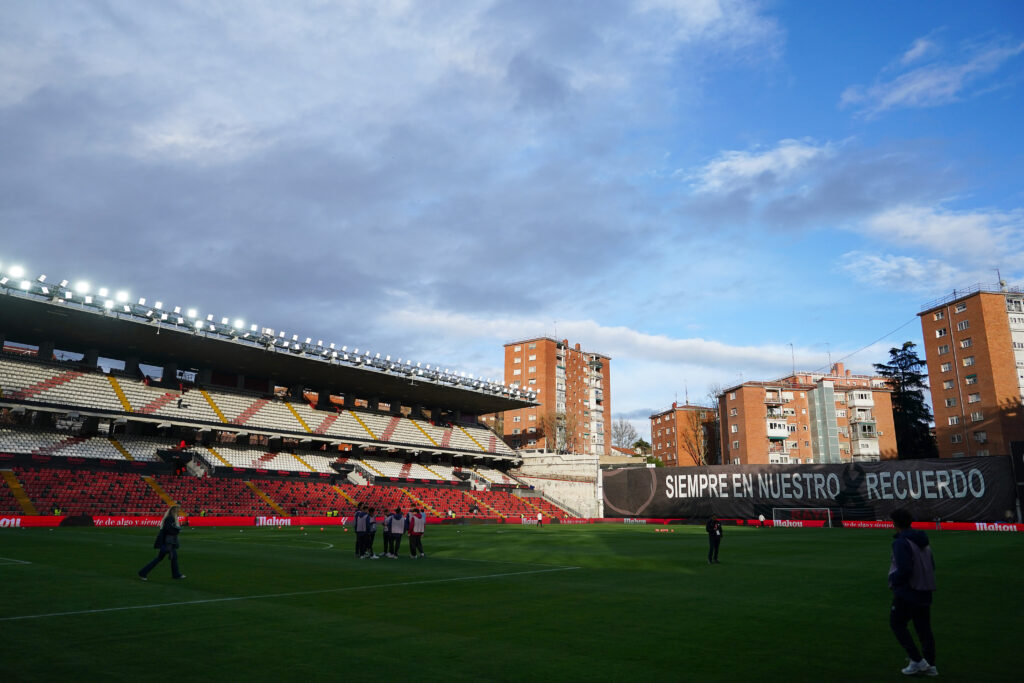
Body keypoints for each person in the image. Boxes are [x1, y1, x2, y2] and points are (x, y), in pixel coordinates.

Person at [888, 508, 938, 677]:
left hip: (909, 591)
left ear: (895, 523)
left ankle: (917, 661)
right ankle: (931, 665)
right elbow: (932, 565)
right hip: (925, 589)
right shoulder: (922, 540)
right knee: (923, 629)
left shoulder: (901, 542)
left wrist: (893, 579)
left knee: (897, 624)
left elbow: (905, 569)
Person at [138, 505, 186, 580]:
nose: (178, 513)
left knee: (165, 558)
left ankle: (143, 572)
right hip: (168, 543)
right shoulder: (170, 518)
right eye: (177, 511)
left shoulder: (170, 518)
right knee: (168, 558)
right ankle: (143, 572)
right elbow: (168, 530)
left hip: (167, 542)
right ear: (174, 511)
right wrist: (177, 530)